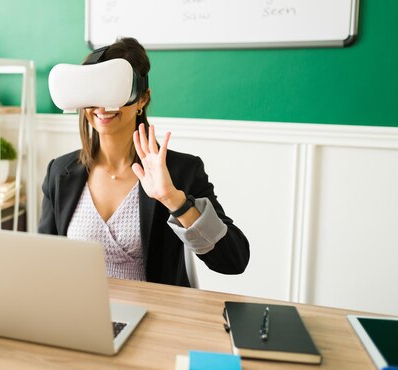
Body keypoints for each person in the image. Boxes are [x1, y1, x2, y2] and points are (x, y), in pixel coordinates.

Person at [38, 37, 249, 287]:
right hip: (80, 315)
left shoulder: (180, 172)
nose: (102, 106)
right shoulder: (60, 172)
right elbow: (44, 260)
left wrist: (174, 200)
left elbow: (234, 261)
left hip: (154, 316)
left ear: (142, 99)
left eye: (116, 90)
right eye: (94, 92)